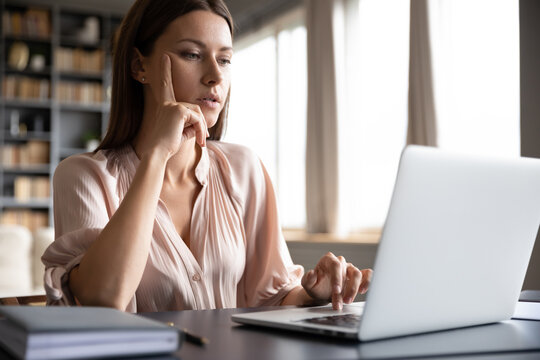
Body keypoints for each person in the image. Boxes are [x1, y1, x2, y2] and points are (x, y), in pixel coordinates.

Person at [42, 0, 372, 313]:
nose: (215, 75)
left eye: (225, 59)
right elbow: (103, 297)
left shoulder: (244, 169)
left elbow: (273, 298)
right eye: (192, 54)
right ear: (139, 66)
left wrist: (314, 294)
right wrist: (158, 155)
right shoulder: (83, 176)